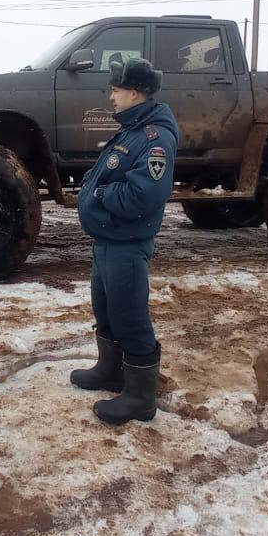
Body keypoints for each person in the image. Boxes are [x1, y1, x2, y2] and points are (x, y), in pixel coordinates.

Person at [71, 57, 178, 425]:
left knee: (130, 316)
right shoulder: (133, 128)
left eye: (116, 90)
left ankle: (139, 398)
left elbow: (144, 194)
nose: (111, 96)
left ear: (134, 93)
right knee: (106, 309)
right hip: (106, 240)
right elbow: (111, 170)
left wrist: (98, 196)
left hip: (126, 243)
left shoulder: (155, 137)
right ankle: (110, 371)